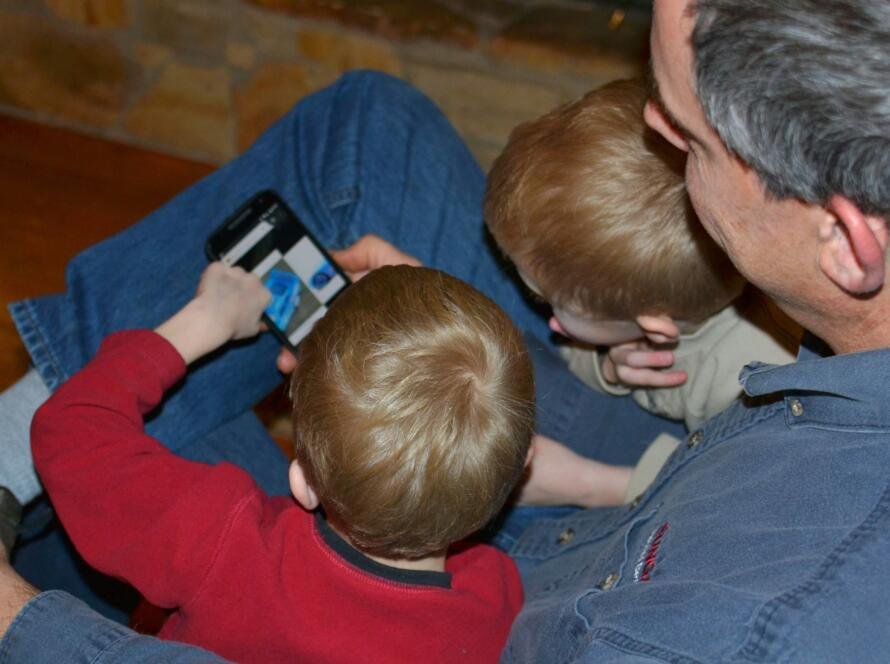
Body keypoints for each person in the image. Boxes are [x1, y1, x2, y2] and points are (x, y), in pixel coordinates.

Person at [5, 0, 889, 660]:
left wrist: (25, 624)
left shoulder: (220, 539)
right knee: (368, 134)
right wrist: (441, 330)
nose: (652, 133)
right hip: (572, 523)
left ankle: (20, 483)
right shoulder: (484, 591)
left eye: (688, 142)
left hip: (581, 545)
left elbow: (79, 441)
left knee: (105, 458)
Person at [31, 263, 534, 663]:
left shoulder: (222, 541)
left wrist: (207, 319)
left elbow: (70, 429)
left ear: (303, 484)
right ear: (517, 473)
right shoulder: (494, 609)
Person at [486, 77, 799, 433]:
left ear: (653, 326)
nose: (543, 310)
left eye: (546, 298)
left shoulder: (748, 389)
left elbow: (712, 479)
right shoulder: (645, 302)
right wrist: (608, 366)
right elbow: (586, 343)